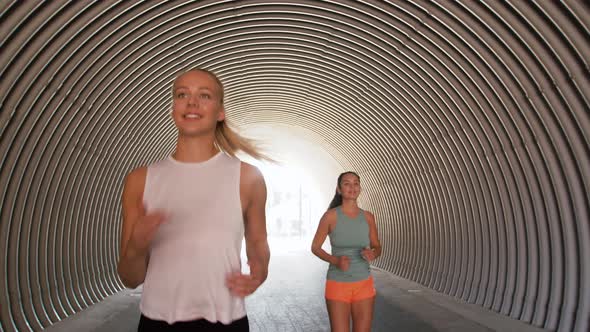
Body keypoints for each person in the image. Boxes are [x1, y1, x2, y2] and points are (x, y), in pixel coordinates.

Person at [117, 68, 270, 332]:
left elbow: (257, 242)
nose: (192, 102)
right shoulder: (140, 180)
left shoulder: (247, 178)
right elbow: (130, 279)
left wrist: (259, 273)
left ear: (220, 112)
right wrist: (137, 245)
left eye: (205, 95)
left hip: (226, 322)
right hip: (157, 322)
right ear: (173, 108)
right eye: (182, 94)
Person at [311, 172, 382, 332]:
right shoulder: (330, 217)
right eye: (347, 183)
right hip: (337, 284)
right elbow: (315, 247)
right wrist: (335, 261)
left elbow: (377, 246)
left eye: (356, 183)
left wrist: (373, 253)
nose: (352, 187)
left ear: (360, 188)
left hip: (364, 283)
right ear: (339, 189)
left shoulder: (368, 217)